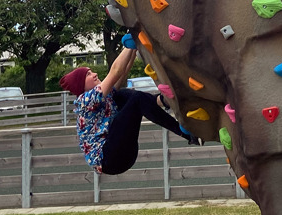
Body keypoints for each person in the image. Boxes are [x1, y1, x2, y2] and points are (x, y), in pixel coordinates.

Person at [60, 40, 197, 175]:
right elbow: (115, 72)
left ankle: (162, 100)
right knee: (135, 100)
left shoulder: (102, 97)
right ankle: (184, 132)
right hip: (110, 158)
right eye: (88, 75)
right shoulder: (85, 101)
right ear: (81, 86)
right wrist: (129, 42)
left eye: (91, 71)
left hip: (122, 153)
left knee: (122, 95)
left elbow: (123, 72)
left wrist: (134, 45)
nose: (95, 74)